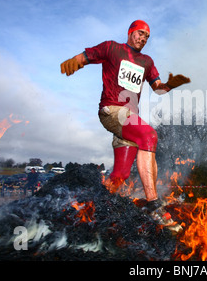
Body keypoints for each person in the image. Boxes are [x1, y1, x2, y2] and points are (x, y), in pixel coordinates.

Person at [60, 20, 190, 227]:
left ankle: (91, 208)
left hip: (129, 120)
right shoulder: (112, 48)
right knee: (149, 136)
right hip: (112, 110)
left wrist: (171, 84)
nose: (143, 39)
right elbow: (86, 56)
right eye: (140, 34)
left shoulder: (147, 61)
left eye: (147, 37)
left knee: (121, 175)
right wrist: (75, 61)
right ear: (130, 32)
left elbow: (157, 88)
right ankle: (153, 204)